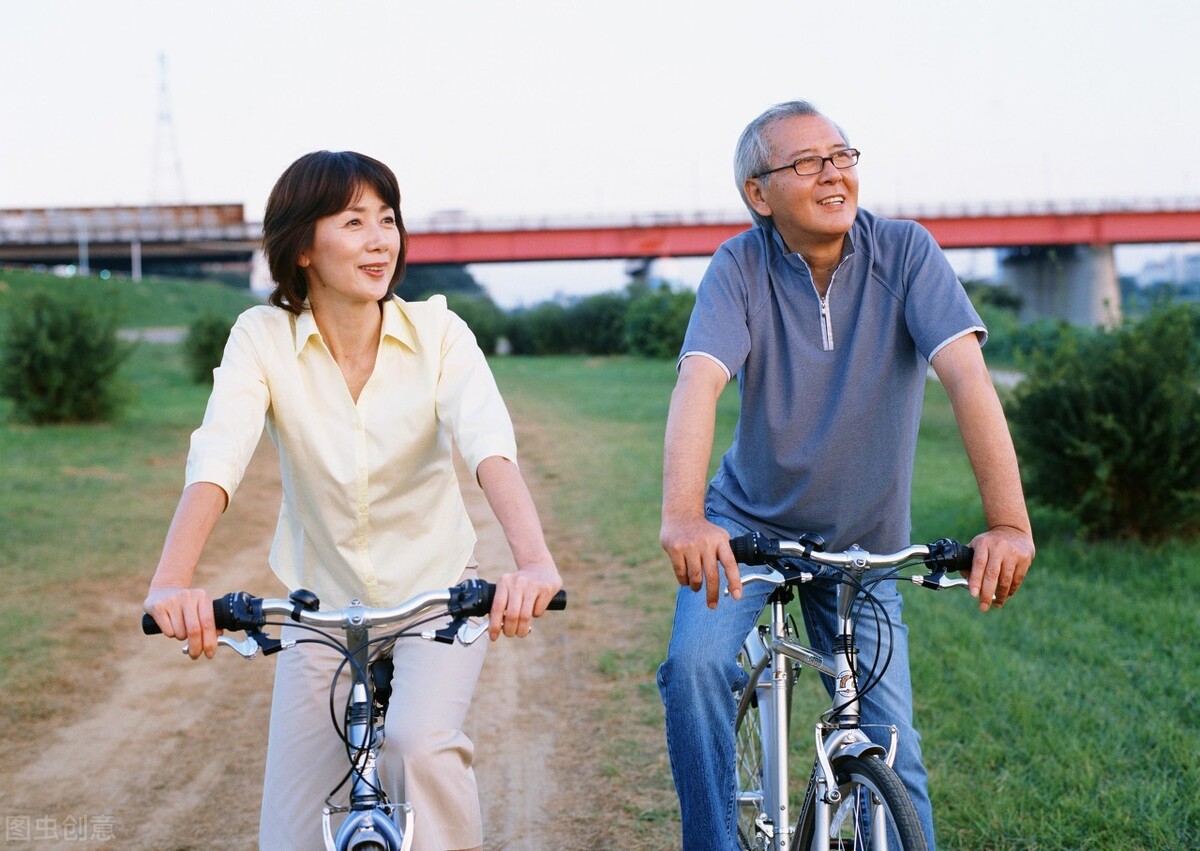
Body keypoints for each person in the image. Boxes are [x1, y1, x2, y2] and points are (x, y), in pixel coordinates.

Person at [143, 150, 562, 851]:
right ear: (303, 245)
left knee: (416, 748)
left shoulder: (437, 333)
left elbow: (488, 444)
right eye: (354, 221)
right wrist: (170, 581)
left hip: (436, 601)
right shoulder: (262, 336)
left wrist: (535, 561)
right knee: (290, 832)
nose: (380, 239)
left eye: (388, 219)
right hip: (322, 609)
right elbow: (219, 455)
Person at [656, 100, 1035, 850]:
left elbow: (966, 377)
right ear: (758, 195)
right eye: (806, 162)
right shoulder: (740, 264)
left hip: (861, 542)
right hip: (747, 528)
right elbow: (699, 381)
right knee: (696, 666)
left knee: (894, 747)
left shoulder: (906, 253)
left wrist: (1009, 522)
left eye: (842, 155)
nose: (833, 173)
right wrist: (684, 515)